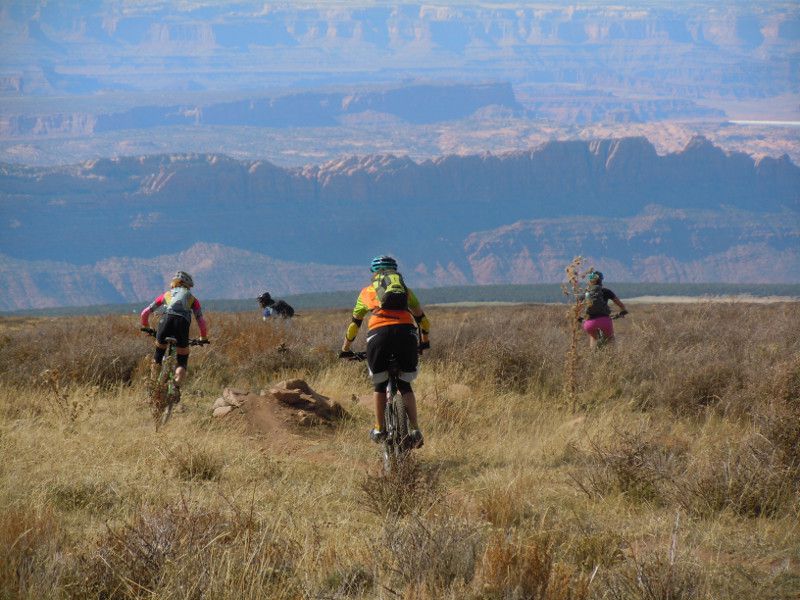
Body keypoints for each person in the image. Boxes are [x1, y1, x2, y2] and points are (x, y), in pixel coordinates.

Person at [339, 255, 430, 447]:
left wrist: (345, 349)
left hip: (378, 335)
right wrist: (424, 343)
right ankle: (415, 429)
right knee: (405, 384)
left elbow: (354, 325)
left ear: (373, 273)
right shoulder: (406, 291)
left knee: (380, 385)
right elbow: (423, 321)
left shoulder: (367, 292)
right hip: (407, 333)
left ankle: (379, 428)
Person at [140, 270, 209, 389]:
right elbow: (201, 321)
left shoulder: (166, 294)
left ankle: (152, 386)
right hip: (182, 325)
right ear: (188, 286)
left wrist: (146, 326)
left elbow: (144, 313)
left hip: (165, 321)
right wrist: (203, 337)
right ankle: (175, 387)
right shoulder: (193, 299)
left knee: (159, 352)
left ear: (174, 283)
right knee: (182, 357)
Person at [581, 270, 627, 349]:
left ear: (590, 281)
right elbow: (619, 303)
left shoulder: (586, 293)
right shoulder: (606, 291)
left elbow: (577, 306)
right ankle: (613, 358)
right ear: (601, 280)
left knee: (593, 338)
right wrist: (623, 310)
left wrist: (579, 318)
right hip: (604, 321)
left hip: (589, 323)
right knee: (611, 339)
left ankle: (592, 357)